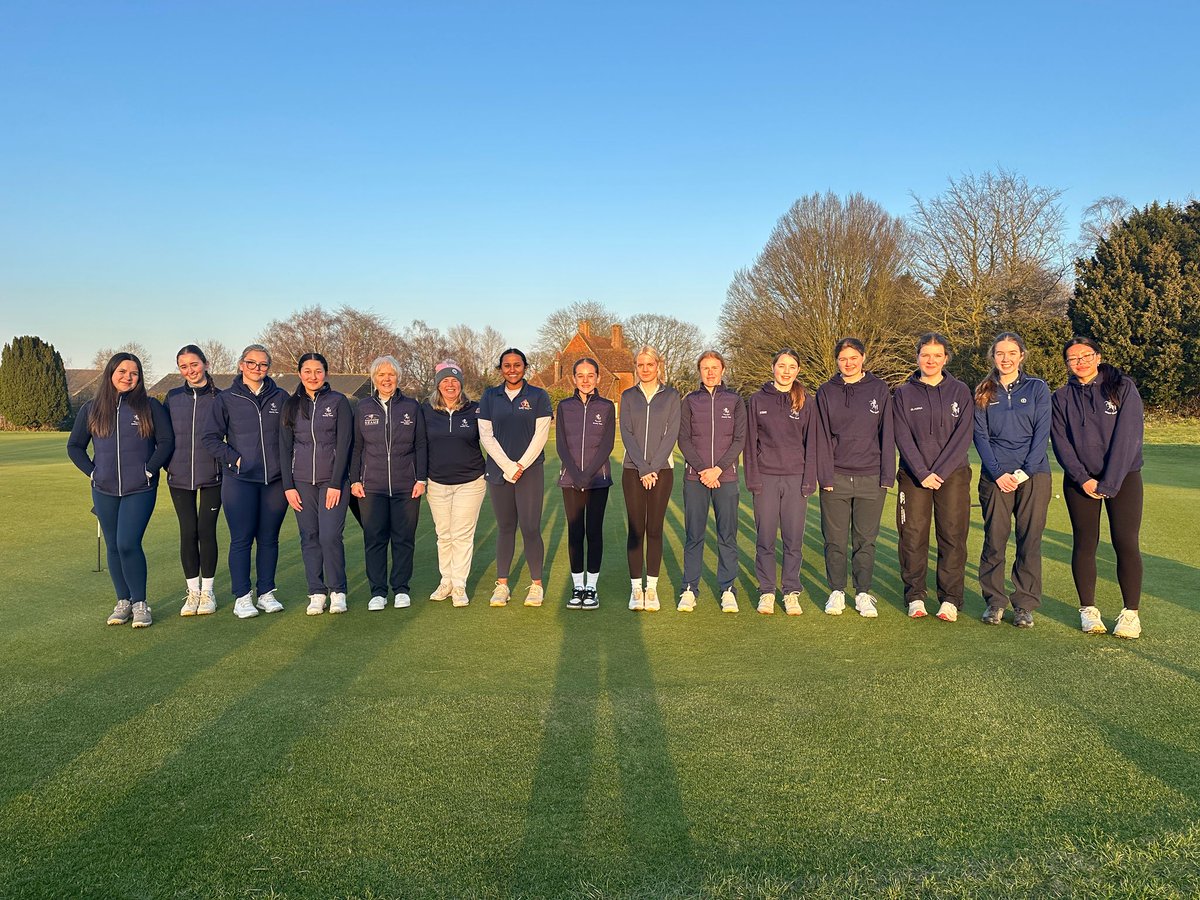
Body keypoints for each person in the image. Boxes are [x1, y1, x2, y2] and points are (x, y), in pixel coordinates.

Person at [68, 352, 174, 628]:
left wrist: (149, 470)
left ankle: (140, 603)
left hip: (140, 488)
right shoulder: (91, 408)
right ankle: (123, 602)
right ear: (111, 374)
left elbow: (166, 442)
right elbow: (74, 446)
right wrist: (93, 472)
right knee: (113, 545)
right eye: (122, 372)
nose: (128, 377)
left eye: (134, 373)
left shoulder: (150, 406)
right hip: (104, 489)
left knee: (128, 543)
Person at [1050, 336, 1145, 639]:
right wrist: (1083, 478)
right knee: (1085, 543)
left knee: (1125, 542)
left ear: (1098, 357)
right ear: (1067, 364)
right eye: (1073, 358)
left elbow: (1129, 437)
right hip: (1081, 481)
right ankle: (1088, 611)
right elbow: (1061, 443)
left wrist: (1111, 482)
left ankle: (1130, 614)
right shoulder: (1061, 397)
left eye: (1086, 356)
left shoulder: (1122, 388)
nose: (1080, 362)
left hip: (1123, 478)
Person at [201, 344, 291, 618]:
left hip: (274, 481)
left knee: (269, 539)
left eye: (263, 364)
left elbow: (291, 435)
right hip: (240, 480)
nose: (257, 368)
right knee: (241, 539)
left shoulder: (281, 397)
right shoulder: (226, 399)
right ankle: (242, 596)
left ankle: (266, 593)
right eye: (251, 363)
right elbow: (210, 438)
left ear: (268, 368)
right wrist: (235, 459)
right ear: (241, 365)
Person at [893, 333, 974, 621]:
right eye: (925, 355)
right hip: (914, 476)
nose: (931, 360)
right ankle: (915, 596)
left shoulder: (960, 391)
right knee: (912, 536)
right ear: (917, 357)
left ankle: (950, 599)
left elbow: (963, 435)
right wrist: (923, 472)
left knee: (952, 536)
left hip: (953, 475)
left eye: (937, 355)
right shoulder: (903, 393)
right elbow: (902, 435)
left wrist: (939, 471)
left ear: (945, 358)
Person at [973, 332, 1052, 629]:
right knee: (995, 539)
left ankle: (1024, 604)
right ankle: (995, 601)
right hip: (996, 477)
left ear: (1022, 355)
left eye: (1011, 353)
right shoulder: (983, 390)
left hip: (1033, 475)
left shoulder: (1037, 388)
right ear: (993, 357)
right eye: (1000, 353)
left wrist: (1024, 472)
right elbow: (980, 436)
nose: (1005, 359)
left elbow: (1042, 432)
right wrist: (997, 473)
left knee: (1029, 540)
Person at [815, 337, 894, 619]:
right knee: (834, 540)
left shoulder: (879, 389)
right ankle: (836, 591)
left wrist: (887, 475)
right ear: (837, 361)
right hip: (835, 477)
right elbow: (821, 436)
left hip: (871, 476)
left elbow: (887, 433)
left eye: (853, 358)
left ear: (863, 357)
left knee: (865, 540)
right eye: (842, 359)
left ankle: (862, 593)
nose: (848, 363)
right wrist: (824, 475)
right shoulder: (826, 391)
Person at [350, 355, 426, 611]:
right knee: (375, 539)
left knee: (404, 539)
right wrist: (355, 479)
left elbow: (421, 445)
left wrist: (421, 478)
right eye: (381, 375)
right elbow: (356, 447)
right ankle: (378, 592)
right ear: (374, 378)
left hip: (407, 485)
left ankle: (401, 588)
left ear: (398, 378)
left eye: (391, 374)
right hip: (372, 486)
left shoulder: (411, 407)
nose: (386, 379)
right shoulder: (362, 407)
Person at [745, 349, 817, 616]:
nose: (786, 371)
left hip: (796, 478)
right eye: (782, 366)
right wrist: (753, 479)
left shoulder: (806, 401)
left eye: (792, 367)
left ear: (798, 370)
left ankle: (790, 591)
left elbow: (812, 443)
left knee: (793, 539)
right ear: (773, 367)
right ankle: (766, 590)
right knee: (765, 538)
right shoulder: (757, 400)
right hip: (766, 478)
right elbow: (749, 443)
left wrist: (809, 480)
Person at [478, 348, 552, 608]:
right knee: (506, 527)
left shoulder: (538, 395)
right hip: (500, 471)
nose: (512, 369)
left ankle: (536, 585)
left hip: (529, 471)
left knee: (530, 527)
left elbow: (541, 436)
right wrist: (508, 466)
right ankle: (502, 585)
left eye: (517, 365)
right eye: (507, 365)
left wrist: (520, 465)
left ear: (525, 367)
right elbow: (486, 435)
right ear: (501, 369)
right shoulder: (489, 396)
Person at [280, 353, 353, 616]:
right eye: (308, 371)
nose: (313, 376)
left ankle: (338, 591)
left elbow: (345, 443)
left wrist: (336, 482)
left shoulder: (339, 402)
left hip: (332, 481)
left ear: (326, 374)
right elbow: (284, 447)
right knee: (309, 536)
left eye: (318, 371)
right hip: (301, 482)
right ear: (299, 374)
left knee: (330, 535)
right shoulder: (290, 405)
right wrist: (288, 486)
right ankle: (317, 592)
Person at [677, 350, 746, 613]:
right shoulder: (690, 401)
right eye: (705, 368)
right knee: (694, 535)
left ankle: (727, 589)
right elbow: (684, 439)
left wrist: (717, 470)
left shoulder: (735, 400)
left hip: (725, 478)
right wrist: (704, 470)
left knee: (727, 535)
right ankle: (689, 589)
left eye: (714, 367)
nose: (710, 372)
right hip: (695, 478)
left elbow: (739, 440)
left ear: (722, 370)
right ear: (699, 371)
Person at [619, 346, 681, 612]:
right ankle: (636, 588)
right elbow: (626, 433)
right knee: (636, 529)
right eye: (640, 364)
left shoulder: (671, 396)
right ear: (636, 367)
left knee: (654, 529)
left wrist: (653, 467)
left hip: (662, 471)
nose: (645, 369)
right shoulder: (627, 396)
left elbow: (671, 434)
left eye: (650, 364)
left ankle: (651, 588)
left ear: (658, 366)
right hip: (633, 470)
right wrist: (643, 468)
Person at [421, 360, 486, 608]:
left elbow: (491, 439)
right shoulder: (426, 411)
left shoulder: (475, 410)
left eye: (455, 380)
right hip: (436, 482)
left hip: (471, 481)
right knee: (444, 534)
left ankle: (459, 585)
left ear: (461, 384)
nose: (450, 384)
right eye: (445, 380)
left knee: (462, 535)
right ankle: (446, 581)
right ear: (438, 385)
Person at [165, 345, 223, 616]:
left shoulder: (220, 397)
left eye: (194, 364)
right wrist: (168, 464)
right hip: (178, 476)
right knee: (188, 531)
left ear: (205, 364)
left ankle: (208, 592)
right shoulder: (173, 397)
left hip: (213, 475)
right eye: (184, 366)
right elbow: (163, 436)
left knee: (206, 531)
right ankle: (192, 593)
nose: (190, 370)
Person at [555, 357, 616, 610]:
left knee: (593, 531)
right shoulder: (564, 406)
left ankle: (591, 587)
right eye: (580, 375)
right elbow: (561, 444)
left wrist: (587, 474)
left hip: (598, 479)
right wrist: (576, 474)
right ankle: (578, 586)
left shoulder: (607, 406)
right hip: (571, 479)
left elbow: (607, 444)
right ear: (573, 378)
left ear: (598, 378)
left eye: (590, 375)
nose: (585, 380)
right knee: (575, 532)